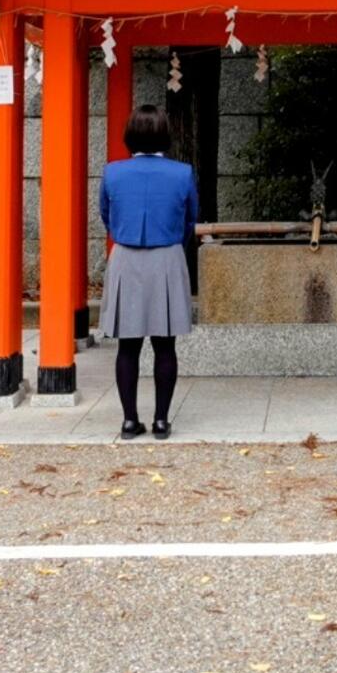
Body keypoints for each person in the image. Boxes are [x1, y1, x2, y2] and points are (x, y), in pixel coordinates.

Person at [97, 104, 197, 439]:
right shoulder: (182, 173)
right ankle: (161, 421)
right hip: (167, 256)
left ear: (130, 135)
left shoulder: (113, 172)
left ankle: (128, 421)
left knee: (128, 346)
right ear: (165, 135)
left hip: (125, 256)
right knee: (165, 345)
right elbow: (189, 220)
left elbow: (106, 216)